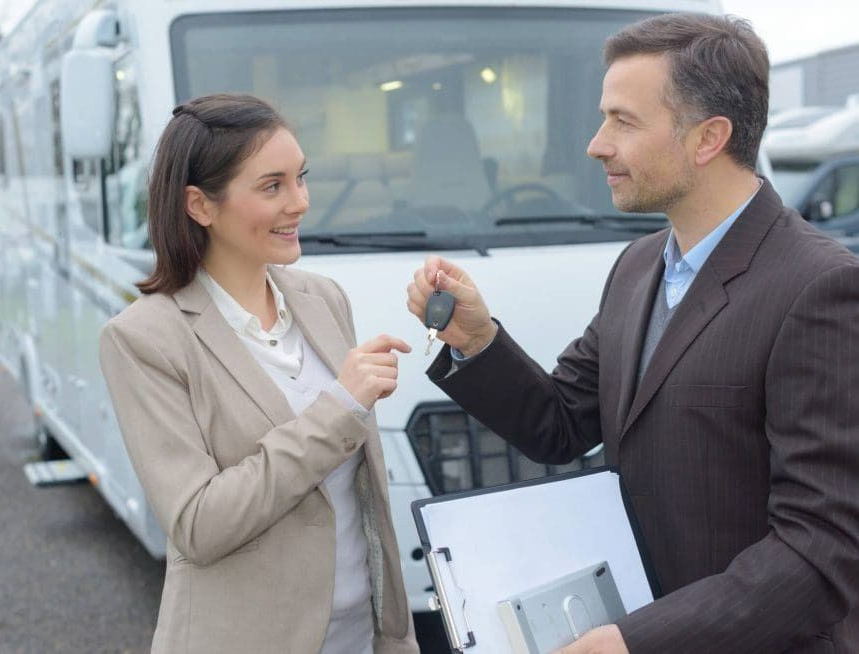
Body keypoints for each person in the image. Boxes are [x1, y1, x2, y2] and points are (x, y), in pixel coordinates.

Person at [407, 13, 859, 654]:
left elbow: (822, 551)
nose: (596, 144)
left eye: (623, 120)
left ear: (708, 138)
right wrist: (477, 339)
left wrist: (632, 641)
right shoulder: (639, 266)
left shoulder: (821, 286)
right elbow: (559, 424)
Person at [100, 94, 419, 654]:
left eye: (301, 178)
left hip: (360, 638)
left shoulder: (325, 299)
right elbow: (199, 525)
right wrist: (339, 410)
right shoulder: (144, 338)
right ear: (200, 205)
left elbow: (365, 500)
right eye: (272, 186)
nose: (298, 202)